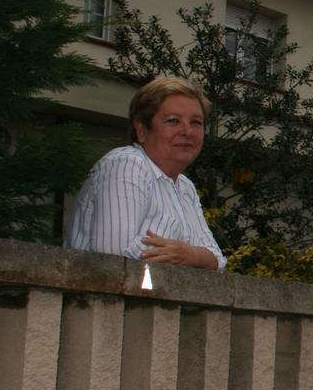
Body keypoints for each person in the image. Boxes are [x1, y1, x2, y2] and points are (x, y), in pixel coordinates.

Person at [65, 76, 225, 271]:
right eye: (173, 121)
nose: (187, 131)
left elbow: (218, 261)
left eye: (196, 123)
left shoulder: (185, 186)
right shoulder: (126, 164)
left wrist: (188, 254)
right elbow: (114, 249)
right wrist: (191, 257)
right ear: (141, 130)